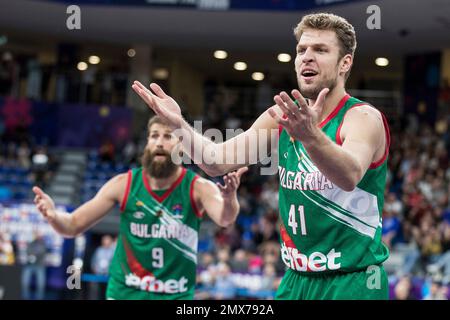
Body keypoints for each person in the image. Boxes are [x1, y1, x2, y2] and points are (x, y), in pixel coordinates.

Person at [132, 12, 391, 300]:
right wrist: (179, 125)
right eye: (301, 50)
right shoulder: (282, 116)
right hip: (296, 278)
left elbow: (350, 175)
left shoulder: (363, 117)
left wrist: (311, 136)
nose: (306, 57)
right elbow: (216, 161)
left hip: (352, 281)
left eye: (320, 50)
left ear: (345, 62)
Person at [32, 115, 248, 300]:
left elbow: (225, 218)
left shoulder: (197, 187)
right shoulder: (124, 184)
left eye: (167, 136)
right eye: (154, 136)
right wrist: (53, 215)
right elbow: (72, 226)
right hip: (126, 291)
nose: (160, 143)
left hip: (175, 294)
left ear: (181, 146)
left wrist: (229, 199)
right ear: (146, 144)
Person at [21, 231, 47, 300]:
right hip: (29, 265)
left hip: (39, 265)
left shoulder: (43, 243)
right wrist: (32, 255)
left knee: (40, 284)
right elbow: (28, 251)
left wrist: (34, 255)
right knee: (25, 282)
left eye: (38, 234)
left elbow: (41, 251)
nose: (36, 236)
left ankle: (39, 298)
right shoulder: (31, 243)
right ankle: (25, 298)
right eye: (35, 234)